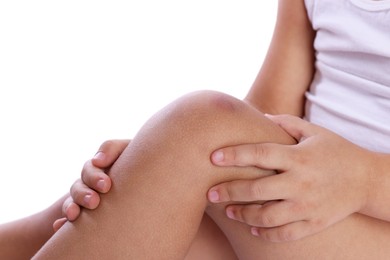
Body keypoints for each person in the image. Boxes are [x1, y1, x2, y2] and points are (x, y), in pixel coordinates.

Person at [3, 0, 390, 258]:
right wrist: (161, 163)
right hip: (310, 201)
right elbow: (270, 110)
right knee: (144, 211)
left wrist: (363, 180)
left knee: (202, 123)